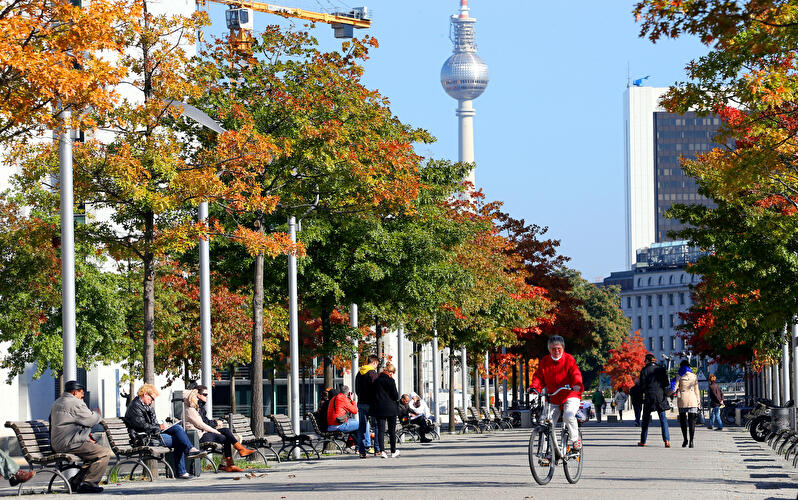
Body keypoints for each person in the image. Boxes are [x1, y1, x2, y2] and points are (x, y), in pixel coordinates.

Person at [123, 384, 207, 479]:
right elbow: (142, 426)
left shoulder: (147, 406)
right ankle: (183, 467)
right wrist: (160, 426)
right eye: (152, 398)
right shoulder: (135, 407)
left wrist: (163, 426)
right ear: (145, 394)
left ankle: (190, 450)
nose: (152, 401)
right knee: (179, 440)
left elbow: (153, 423)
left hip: (153, 433)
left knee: (178, 428)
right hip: (144, 438)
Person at [49, 380, 112, 493]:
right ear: (74, 392)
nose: (82, 395)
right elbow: (90, 420)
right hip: (70, 443)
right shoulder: (74, 403)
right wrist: (97, 413)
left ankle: (75, 482)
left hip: (59, 442)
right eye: (81, 393)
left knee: (92, 456)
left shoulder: (57, 402)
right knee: (104, 453)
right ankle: (89, 483)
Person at [528, 335, 584, 450]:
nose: (556, 351)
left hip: (570, 394)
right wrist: (534, 387)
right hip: (553, 396)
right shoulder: (545, 361)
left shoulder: (569, 359)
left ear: (563, 348)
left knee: (568, 416)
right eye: (553, 349)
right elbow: (539, 377)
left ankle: (575, 439)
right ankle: (547, 452)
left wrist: (577, 384)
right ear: (549, 349)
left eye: (559, 348)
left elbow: (575, 373)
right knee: (545, 422)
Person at [183, 388, 255, 472]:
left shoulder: (194, 409)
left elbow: (204, 424)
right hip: (199, 436)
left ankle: (238, 453)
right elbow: (201, 425)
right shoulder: (189, 410)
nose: (196, 399)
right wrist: (216, 431)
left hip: (203, 433)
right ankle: (230, 462)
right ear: (190, 398)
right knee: (226, 437)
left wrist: (216, 428)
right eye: (195, 397)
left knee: (226, 430)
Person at [638, 354, 671, 447]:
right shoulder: (661, 369)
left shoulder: (644, 370)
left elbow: (642, 386)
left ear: (647, 361)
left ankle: (643, 441)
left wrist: (644, 392)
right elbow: (666, 383)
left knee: (645, 419)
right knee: (663, 419)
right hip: (660, 396)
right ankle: (667, 440)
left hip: (649, 396)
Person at [372, 362, 400, 458]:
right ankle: (393, 451)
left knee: (381, 430)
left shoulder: (376, 381)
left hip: (379, 408)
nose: (392, 374)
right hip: (391, 408)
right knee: (392, 431)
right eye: (392, 372)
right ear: (390, 372)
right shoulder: (391, 381)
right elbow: (395, 396)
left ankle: (382, 451)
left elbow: (374, 395)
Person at [355, 354, 379, 458]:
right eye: (376, 365)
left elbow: (356, 389)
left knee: (362, 427)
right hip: (372, 403)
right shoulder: (373, 373)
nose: (376, 367)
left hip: (361, 403)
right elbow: (377, 389)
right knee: (376, 426)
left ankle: (362, 451)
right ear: (374, 362)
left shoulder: (359, 373)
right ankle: (377, 449)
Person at [676, 360, 700, 448]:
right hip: (693, 399)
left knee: (683, 421)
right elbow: (696, 390)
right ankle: (691, 441)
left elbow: (674, 387)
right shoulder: (694, 376)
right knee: (692, 422)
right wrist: (698, 402)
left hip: (682, 399)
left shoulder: (679, 375)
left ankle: (685, 439)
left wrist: (667, 393)